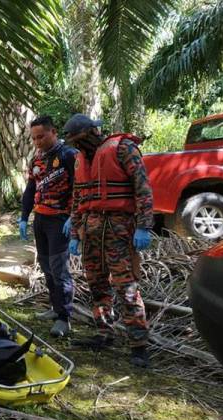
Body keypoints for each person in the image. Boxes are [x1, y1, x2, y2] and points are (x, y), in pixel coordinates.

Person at [64, 113, 153, 368]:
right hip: (92, 230)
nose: (79, 147)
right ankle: (104, 333)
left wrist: (144, 226)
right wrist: (74, 233)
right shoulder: (81, 160)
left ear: (93, 133)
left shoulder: (124, 148)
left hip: (120, 228)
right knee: (96, 283)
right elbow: (79, 199)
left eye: (81, 141)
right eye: (75, 143)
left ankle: (139, 344)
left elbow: (143, 189)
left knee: (126, 286)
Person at [19, 116, 77, 338]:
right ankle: (55, 308)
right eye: (34, 138)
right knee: (46, 266)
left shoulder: (69, 156)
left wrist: (74, 217)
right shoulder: (37, 159)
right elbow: (30, 189)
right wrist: (24, 217)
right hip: (41, 219)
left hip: (60, 221)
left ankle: (65, 318)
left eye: (41, 136)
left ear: (53, 131)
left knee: (59, 268)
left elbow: (80, 189)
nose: (37, 142)